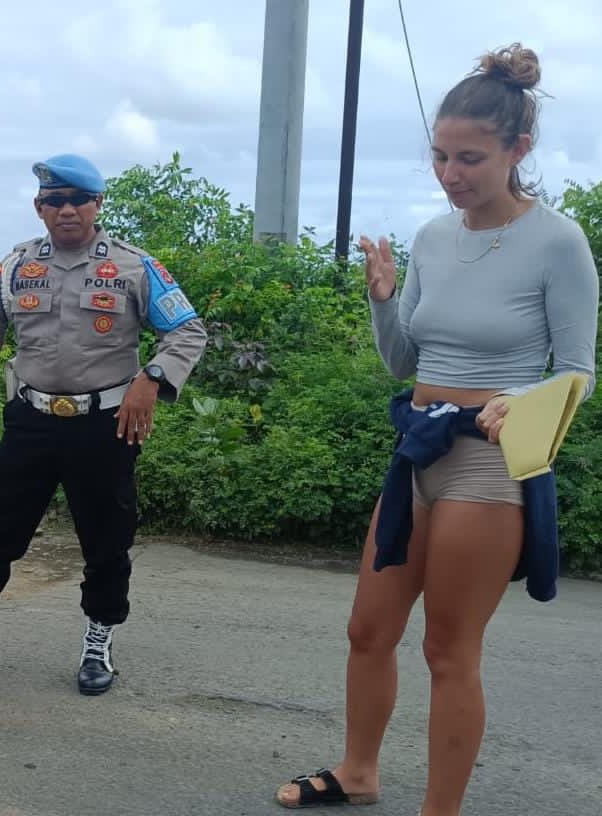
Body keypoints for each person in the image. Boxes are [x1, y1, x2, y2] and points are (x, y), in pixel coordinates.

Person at [275, 45, 598, 814]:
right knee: (367, 629)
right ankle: (359, 772)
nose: (451, 174)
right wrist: (383, 301)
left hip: (490, 461)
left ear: (518, 150)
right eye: (441, 157)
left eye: (470, 158)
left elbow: (578, 373)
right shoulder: (430, 237)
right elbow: (404, 362)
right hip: (418, 448)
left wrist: (523, 399)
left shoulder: (558, 242)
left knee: (448, 648)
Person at [0, 154, 208, 695]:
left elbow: (187, 331)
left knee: (106, 539)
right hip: (32, 421)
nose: (67, 210)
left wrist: (152, 378)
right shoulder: (18, 267)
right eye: (55, 201)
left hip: (105, 426)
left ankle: (98, 644)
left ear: (98, 204)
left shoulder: (134, 266)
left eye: (77, 200)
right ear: (39, 207)